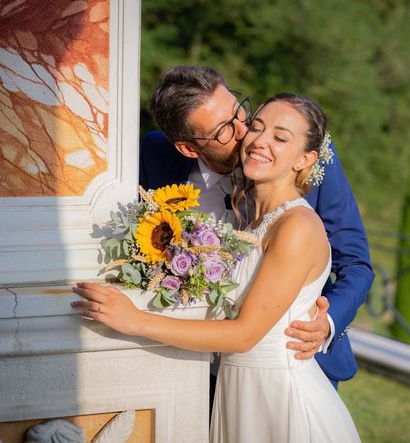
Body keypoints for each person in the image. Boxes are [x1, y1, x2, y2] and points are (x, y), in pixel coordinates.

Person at [72, 93, 361, 442]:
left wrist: (135, 320)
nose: (259, 140)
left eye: (280, 137)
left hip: (277, 396)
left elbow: (244, 334)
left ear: (305, 159)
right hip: (235, 389)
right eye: (257, 128)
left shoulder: (296, 226)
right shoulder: (253, 221)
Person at [138, 66, 373, 391]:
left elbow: (357, 265)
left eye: (239, 112)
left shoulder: (302, 156)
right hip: (193, 369)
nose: (245, 131)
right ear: (189, 149)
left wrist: (326, 325)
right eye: (224, 129)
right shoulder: (155, 156)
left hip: (292, 362)